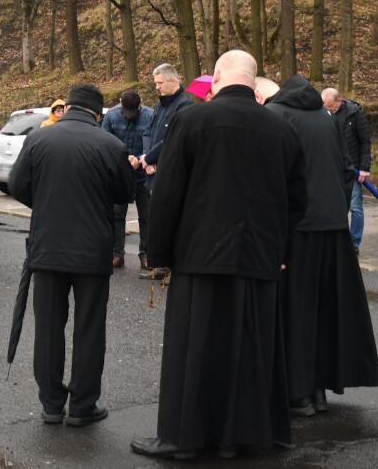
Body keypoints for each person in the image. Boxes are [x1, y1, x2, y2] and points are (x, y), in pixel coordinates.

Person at [131, 50, 307, 460]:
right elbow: (297, 200)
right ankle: (242, 436)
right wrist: (283, 251)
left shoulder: (192, 120)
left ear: (221, 76)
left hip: (199, 254)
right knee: (249, 347)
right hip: (260, 257)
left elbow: (168, 191)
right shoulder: (281, 128)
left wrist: (159, 251)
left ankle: (183, 437)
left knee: (193, 348)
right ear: (253, 79)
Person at [10, 83, 135, 426]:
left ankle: (51, 404)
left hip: (47, 247)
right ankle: (82, 406)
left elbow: (18, 185)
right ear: (97, 115)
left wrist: (48, 204)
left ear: (66, 108)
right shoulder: (111, 145)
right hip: (92, 251)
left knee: (48, 327)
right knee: (89, 329)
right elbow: (125, 192)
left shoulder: (38, 139)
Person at [262, 75, 378, 416]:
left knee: (296, 310)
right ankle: (318, 391)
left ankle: (298, 394)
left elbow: (277, 176)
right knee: (325, 310)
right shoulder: (325, 117)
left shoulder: (278, 115)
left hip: (299, 227)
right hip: (333, 227)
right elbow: (346, 168)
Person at [139, 63, 194, 280]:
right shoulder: (160, 104)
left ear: (174, 81)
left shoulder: (184, 106)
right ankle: (160, 264)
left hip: (169, 171)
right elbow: (149, 132)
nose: (157, 88)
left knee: (172, 219)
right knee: (157, 219)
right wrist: (147, 159)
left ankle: (173, 267)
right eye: (156, 83)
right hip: (153, 170)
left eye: (160, 83)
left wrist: (151, 158)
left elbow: (170, 139)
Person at [101, 90, 153, 270]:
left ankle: (146, 255)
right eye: (126, 111)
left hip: (143, 174)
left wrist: (140, 159)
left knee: (146, 216)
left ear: (141, 104)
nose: (129, 116)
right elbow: (104, 142)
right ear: (120, 102)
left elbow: (154, 144)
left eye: (133, 112)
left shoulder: (150, 116)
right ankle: (116, 254)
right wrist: (122, 161)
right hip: (119, 174)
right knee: (116, 215)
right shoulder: (111, 116)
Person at [321, 88, 371, 251]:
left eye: (331, 107)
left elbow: (365, 141)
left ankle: (354, 243)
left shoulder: (354, 114)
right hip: (333, 168)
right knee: (335, 206)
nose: (328, 111)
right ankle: (338, 242)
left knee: (355, 207)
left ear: (339, 101)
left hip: (353, 168)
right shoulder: (321, 113)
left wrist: (364, 168)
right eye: (325, 107)